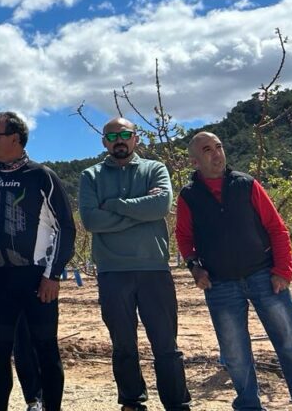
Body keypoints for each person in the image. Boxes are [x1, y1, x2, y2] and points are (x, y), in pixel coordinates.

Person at [177, 131, 292, 411]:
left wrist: (283, 270)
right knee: (235, 353)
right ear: (195, 161)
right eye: (208, 150)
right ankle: (248, 405)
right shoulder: (188, 196)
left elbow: (276, 228)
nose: (216, 153)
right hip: (220, 285)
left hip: (264, 276)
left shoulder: (246, 184)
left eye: (219, 147)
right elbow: (184, 238)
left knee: (290, 342)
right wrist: (195, 269)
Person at [79, 117, 191, 411]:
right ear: (104, 141)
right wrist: (139, 210)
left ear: (135, 138)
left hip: (154, 269)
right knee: (124, 345)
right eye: (113, 135)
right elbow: (91, 220)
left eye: (125, 134)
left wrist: (114, 205)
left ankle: (177, 403)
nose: (119, 139)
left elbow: (160, 207)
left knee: (166, 344)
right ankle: (131, 401)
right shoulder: (90, 175)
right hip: (112, 272)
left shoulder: (155, 169)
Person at [0, 111, 74, 411]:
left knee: (45, 349)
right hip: (1, 280)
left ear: (14, 138)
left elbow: (66, 227)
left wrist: (52, 275)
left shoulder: (41, 175)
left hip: (37, 277)